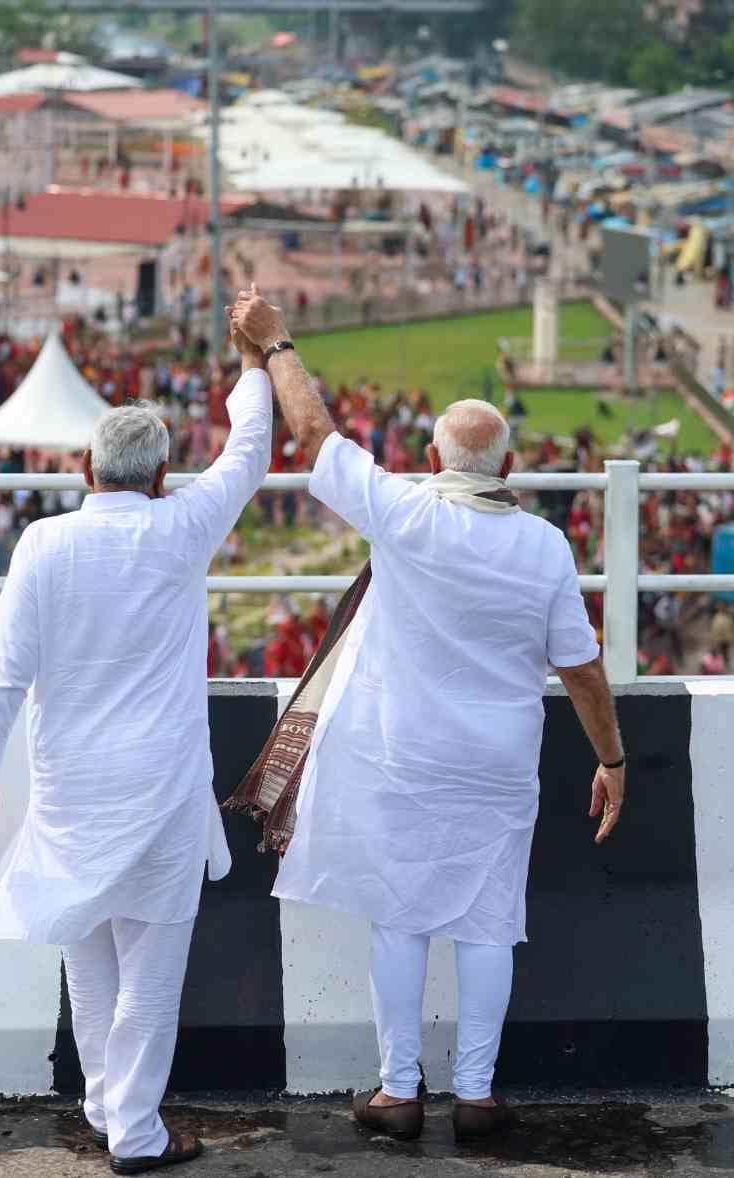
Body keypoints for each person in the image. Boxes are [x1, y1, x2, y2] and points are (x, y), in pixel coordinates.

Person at [231, 286, 625, 1142]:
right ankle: (477, 1095)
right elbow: (584, 672)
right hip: (497, 764)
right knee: (489, 926)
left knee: (401, 917)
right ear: (508, 470)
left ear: (434, 458)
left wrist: (277, 344)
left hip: (401, 758)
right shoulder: (546, 546)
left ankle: (398, 1092)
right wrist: (614, 762)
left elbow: (314, 439)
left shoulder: (404, 514)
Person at [0, 324, 273, 1175]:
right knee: (149, 975)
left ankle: (109, 1111)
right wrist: (250, 364)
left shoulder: (42, 544)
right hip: (160, 792)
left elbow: (3, 668)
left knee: (90, 962)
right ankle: (133, 1132)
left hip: (70, 790)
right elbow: (251, 450)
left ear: (85, 473)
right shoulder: (182, 527)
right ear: (163, 478)